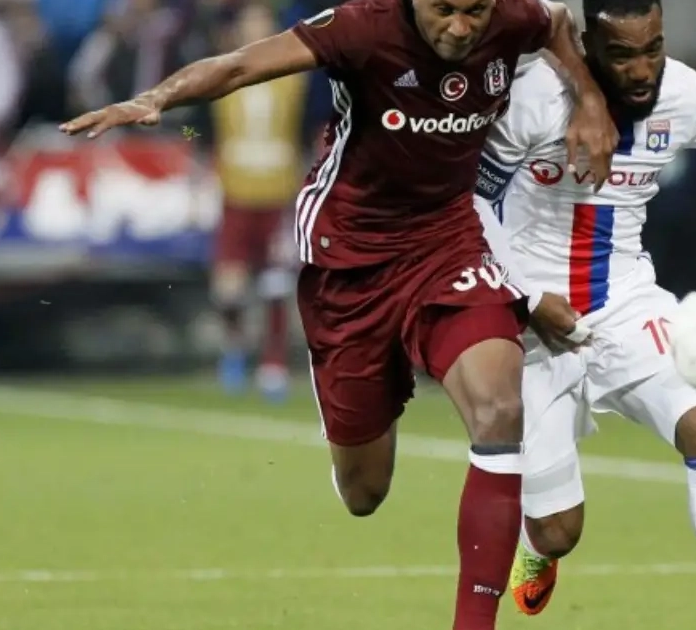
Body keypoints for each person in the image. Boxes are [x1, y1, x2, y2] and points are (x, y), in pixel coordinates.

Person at [60, 1, 619, 628]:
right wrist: (156, 97)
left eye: (475, 11)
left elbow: (558, 26)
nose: (461, 28)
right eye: (444, 11)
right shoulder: (363, 27)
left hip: (447, 243)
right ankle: (354, 425)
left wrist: (590, 99)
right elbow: (241, 65)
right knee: (364, 491)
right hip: (349, 260)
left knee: (499, 406)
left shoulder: (513, 18)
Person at [472, 1, 696, 627]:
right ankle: (539, 546)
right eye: (622, 54)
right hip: (530, 322)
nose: (641, 70)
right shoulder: (533, 96)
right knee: (558, 530)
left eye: (653, 49)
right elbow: (472, 202)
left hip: (626, 303)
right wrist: (525, 297)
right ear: (587, 43)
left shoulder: (684, 93)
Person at [207, 2, 306, 401]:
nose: (256, 29)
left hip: (278, 195)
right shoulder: (220, 76)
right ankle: (235, 346)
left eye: (263, 23)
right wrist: (200, 150)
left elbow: (309, 130)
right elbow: (195, 130)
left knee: (276, 284)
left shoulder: (294, 79)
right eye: (250, 23)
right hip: (236, 195)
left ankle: (273, 364)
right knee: (228, 289)